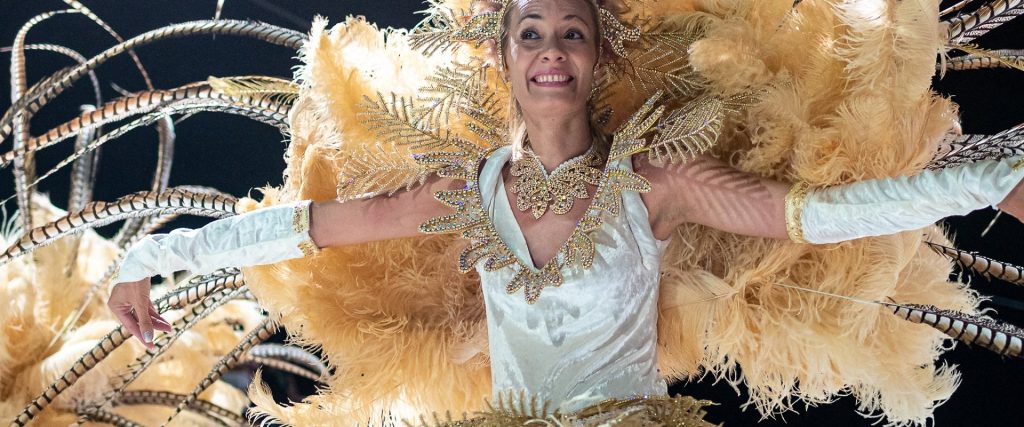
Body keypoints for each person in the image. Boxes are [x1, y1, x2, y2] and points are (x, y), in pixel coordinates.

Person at [106, 0, 1024, 421]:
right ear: (504, 57)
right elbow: (306, 228)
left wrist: (983, 181)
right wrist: (153, 255)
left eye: (572, 33)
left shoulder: (654, 183)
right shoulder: (462, 196)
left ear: (595, 59)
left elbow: (816, 216)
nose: (551, 49)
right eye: (532, 33)